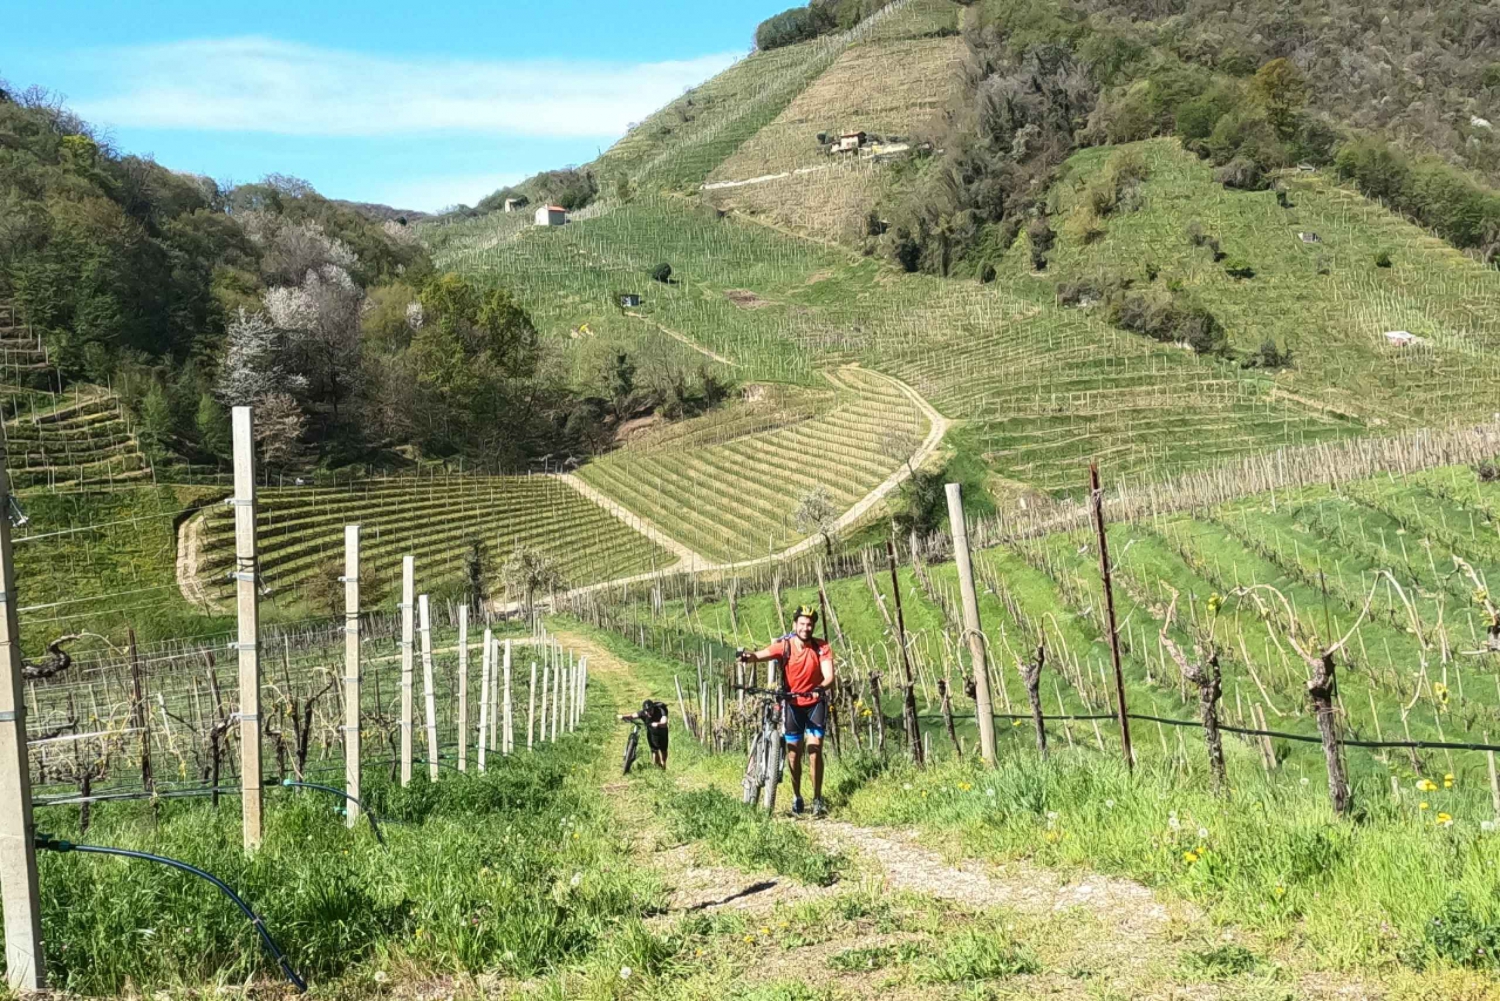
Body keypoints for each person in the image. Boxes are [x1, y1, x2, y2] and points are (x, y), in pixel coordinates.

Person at [739, 605, 834, 818]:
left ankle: (817, 798)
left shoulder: (822, 647)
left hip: (815, 703)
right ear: (795, 625)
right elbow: (761, 654)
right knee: (793, 754)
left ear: (813, 626)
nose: (806, 628)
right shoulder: (785, 646)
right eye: (802, 624)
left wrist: (820, 689)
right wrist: (748, 657)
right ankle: (797, 795)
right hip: (792, 704)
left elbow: (829, 676)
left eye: (809, 624)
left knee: (814, 750)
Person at [619, 698, 670, 769]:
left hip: (662, 732)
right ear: (644, 710)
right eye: (647, 711)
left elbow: (664, 722)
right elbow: (632, 716)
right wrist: (623, 716)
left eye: (650, 710)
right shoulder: (643, 713)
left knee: (663, 751)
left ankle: (664, 763)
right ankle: (657, 767)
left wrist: (658, 724)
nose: (649, 713)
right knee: (654, 751)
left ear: (653, 708)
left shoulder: (660, 711)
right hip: (651, 733)